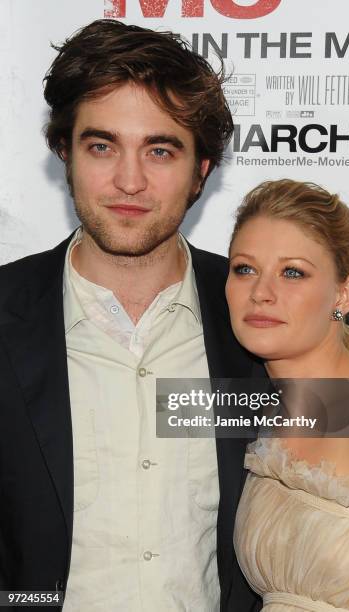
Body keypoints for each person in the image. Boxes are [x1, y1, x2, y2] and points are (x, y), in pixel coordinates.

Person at [0, 19, 265, 611]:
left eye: (160, 150)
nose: (129, 180)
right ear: (63, 152)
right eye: (102, 145)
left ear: (201, 170)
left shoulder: (265, 316)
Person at [225, 179, 349, 611]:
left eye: (293, 272)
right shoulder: (263, 417)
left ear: (343, 294)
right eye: (244, 269)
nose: (261, 292)